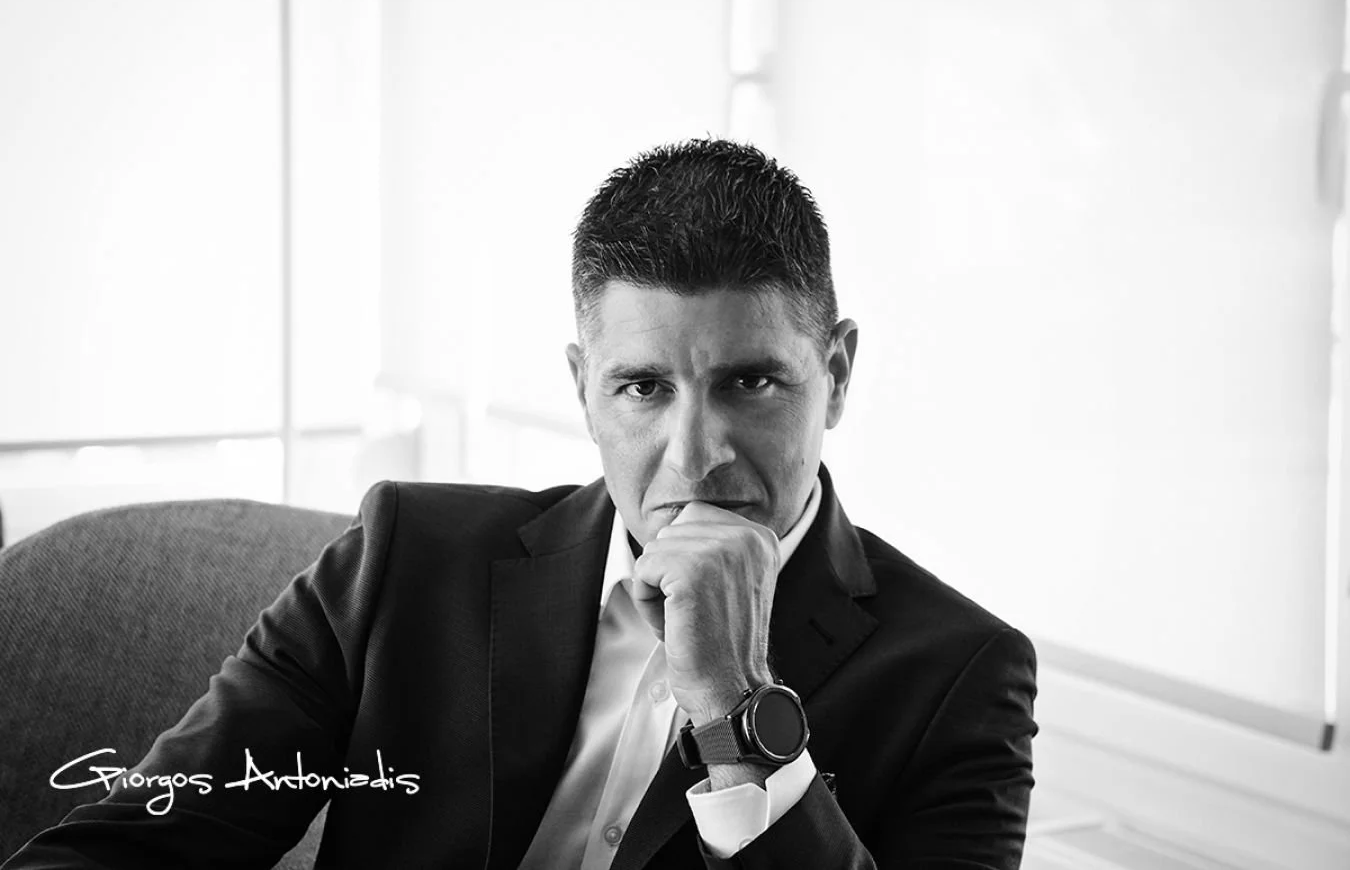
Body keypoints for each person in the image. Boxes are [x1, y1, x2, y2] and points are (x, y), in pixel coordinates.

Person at [4, 139, 1037, 869]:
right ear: (583, 385)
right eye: (643, 387)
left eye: (752, 382)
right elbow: (135, 842)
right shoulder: (403, 560)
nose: (697, 455)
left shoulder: (961, 675)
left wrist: (738, 710)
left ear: (839, 374)